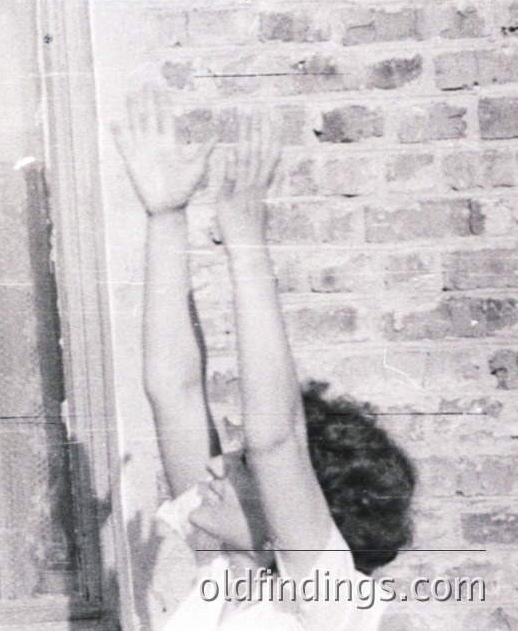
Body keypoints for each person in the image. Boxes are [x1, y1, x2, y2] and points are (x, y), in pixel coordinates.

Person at [113, 91, 416, 631]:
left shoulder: (330, 598)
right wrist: (165, 216)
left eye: (241, 465)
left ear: (301, 505)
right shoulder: (226, 575)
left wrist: (247, 243)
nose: (214, 464)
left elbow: (276, 441)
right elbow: (173, 392)